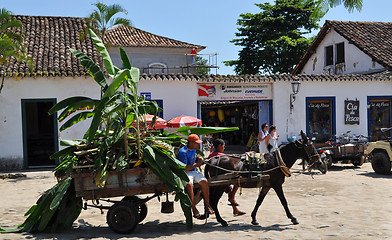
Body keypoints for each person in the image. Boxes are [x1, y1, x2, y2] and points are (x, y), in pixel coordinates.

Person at [178, 134, 214, 219]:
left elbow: (196, 157)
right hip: (186, 173)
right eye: (197, 143)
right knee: (189, 185)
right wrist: (197, 165)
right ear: (191, 143)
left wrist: (200, 159)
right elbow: (184, 168)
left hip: (193, 172)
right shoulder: (183, 152)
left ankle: (207, 206)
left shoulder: (193, 150)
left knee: (205, 182)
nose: (199, 145)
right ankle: (193, 208)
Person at [208, 139, 246, 216]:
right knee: (237, 181)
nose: (224, 148)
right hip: (220, 177)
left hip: (214, 177)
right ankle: (232, 200)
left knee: (232, 186)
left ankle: (235, 208)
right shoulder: (221, 156)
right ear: (219, 146)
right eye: (223, 146)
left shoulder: (211, 154)